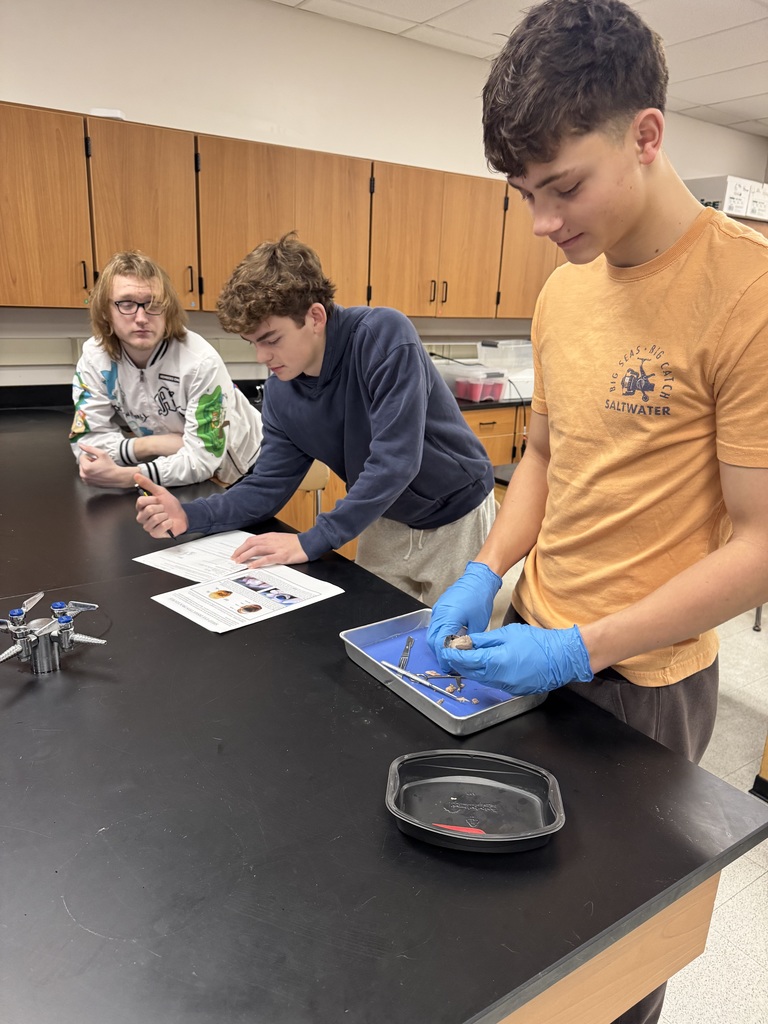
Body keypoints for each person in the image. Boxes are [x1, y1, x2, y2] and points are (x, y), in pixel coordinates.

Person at [427, 3, 768, 1021]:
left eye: (563, 186)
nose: (542, 220)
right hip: (533, 639)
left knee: (612, 965)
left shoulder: (746, 295)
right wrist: (489, 570)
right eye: (525, 192)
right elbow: (543, 453)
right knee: (518, 938)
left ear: (648, 136)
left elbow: (761, 546)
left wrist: (586, 647)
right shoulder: (564, 290)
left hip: (646, 686)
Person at [135, 234, 495, 604]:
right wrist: (189, 515)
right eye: (252, 342)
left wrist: (311, 541)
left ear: (315, 317)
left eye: (271, 339)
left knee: (452, 644)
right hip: (384, 516)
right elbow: (267, 485)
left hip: (457, 516)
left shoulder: (382, 337)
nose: (261, 356)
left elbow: (395, 462)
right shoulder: (281, 392)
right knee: (372, 628)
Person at [69, 250, 262, 489]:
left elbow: (202, 459)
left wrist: (127, 476)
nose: (141, 317)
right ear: (106, 311)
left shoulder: (199, 362)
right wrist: (151, 445)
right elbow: (87, 446)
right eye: (126, 303)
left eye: (153, 304)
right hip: (169, 464)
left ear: (167, 309)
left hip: (241, 470)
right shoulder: (95, 359)